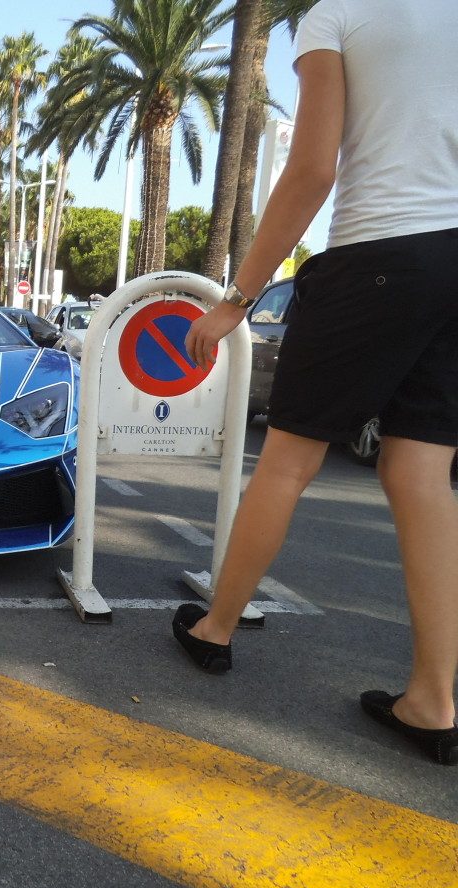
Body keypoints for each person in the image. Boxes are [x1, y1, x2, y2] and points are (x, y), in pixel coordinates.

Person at [174, 0, 458, 765]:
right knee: (421, 472)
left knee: (290, 459)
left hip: (379, 253)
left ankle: (215, 629)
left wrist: (238, 297)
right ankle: (433, 700)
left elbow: (311, 169)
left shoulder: (339, 12)